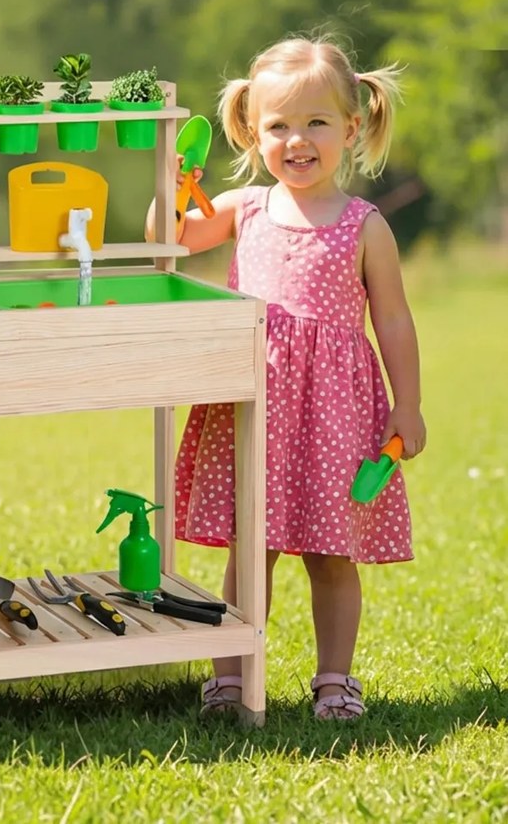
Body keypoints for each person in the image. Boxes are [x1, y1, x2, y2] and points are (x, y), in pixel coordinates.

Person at [148, 35, 426, 720]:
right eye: (279, 126)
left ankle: (335, 680)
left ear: (352, 128)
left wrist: (408, 407)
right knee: (253, 549)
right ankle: (233, 675)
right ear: (251, 130)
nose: (297, 141)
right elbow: (170, 236)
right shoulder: (243, 209)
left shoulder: (365, 226)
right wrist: (172, 180)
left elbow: (393, 321)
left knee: (332, 555)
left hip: (333, 414)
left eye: (317, 124)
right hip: (256, 404)